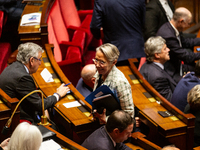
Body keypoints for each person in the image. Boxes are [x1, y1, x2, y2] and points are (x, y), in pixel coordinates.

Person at [0, 42, 70, 124]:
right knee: (55, 127)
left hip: (13, 111)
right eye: (39, 59)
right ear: (32, 60)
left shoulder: (13, 66)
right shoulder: (23, 78)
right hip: (21, 120)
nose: (40, 63)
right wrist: (58, 95)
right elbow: (40, 106)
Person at [92, 43, 134, 123]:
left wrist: (107, 120)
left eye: (102, 62)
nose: (97, 65)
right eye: (96, 60)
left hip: (115, 127)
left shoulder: (120, 82)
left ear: (114, 62)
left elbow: (128, 114)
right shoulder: (100, 72)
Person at [156, 7, 200, 83]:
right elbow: (186, 57)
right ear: (181, 21)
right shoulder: (168, 35)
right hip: (172, 72)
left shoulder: (171, 27)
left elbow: (186, 42)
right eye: (188, 23)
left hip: (178, 65)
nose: (188, 26)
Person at [139, 36, 177, 101]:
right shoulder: (158, 78)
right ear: (157, 55)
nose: (168, 50)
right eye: (165, 49)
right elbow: (170, 101)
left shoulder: (145, 65)